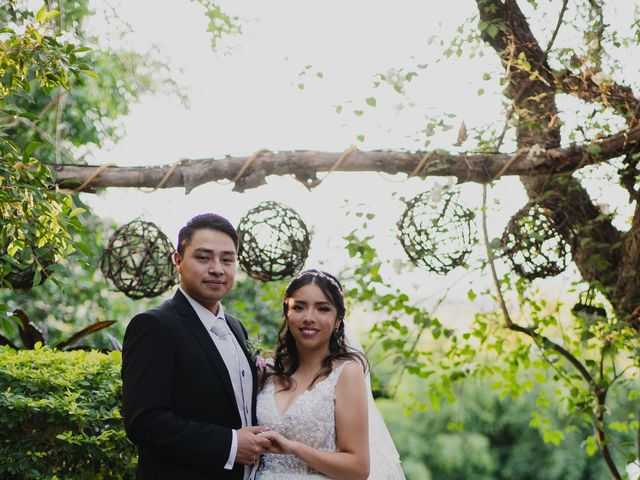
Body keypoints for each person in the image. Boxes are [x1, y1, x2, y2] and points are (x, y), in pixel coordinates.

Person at [121, 213, 271, 480]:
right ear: (178, 261)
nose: (217, 268)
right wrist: (231, 444)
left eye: (227, 259)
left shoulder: (236, 327)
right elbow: (143, 421)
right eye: (203, 258)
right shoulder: (154, 326)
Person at [255, 268, 403, 479]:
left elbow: (358, 468)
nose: (309, 317)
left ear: (338, 321)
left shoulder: (346, 373)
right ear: (287, 314)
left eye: (322, 309)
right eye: (299, 307)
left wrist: (293, 448)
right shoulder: (268, 369)